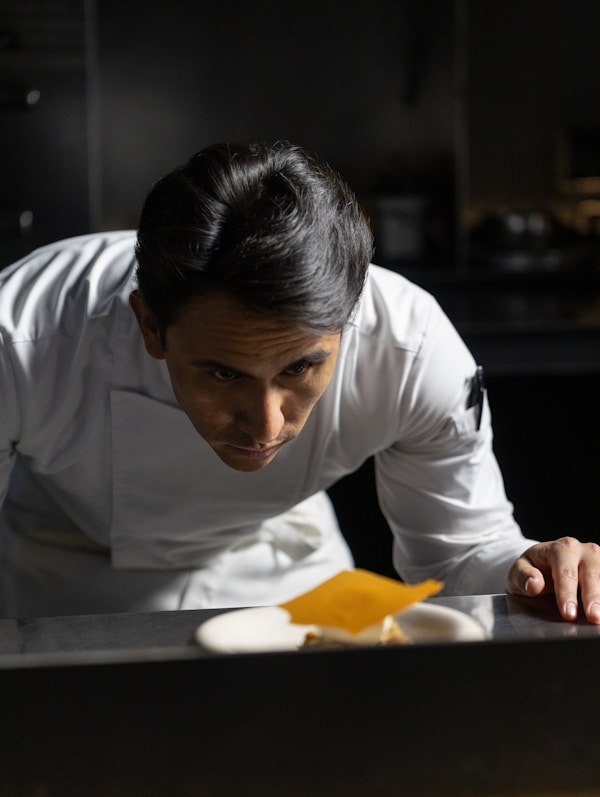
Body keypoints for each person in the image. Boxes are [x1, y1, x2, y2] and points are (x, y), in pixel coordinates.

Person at [0, 140, 598, 621]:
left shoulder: (411, 349)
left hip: (282, 566)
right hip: (63, 571)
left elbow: (461, 553)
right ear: (150, 326)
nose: (265, 425)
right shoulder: (19, 339)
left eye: (299, 367)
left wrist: (532, 570)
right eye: (222, 371)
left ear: (348, 320)